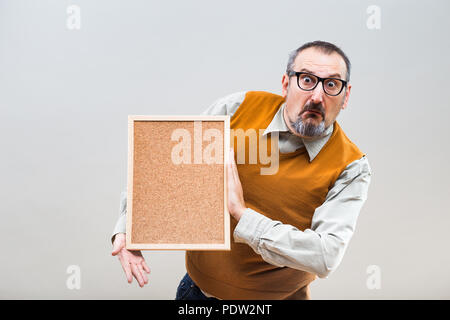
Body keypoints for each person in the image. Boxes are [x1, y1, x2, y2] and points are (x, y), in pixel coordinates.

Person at [111, 40, 372, 300]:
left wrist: (241, 213)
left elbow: (325, 255)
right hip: (197, 294)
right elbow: (169, 172)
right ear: (286, 84)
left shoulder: (351, 166)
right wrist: (130, 228)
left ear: (345, 96)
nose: (317, 96)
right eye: (306, 80)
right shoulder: (237, 109)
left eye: (331, 85)